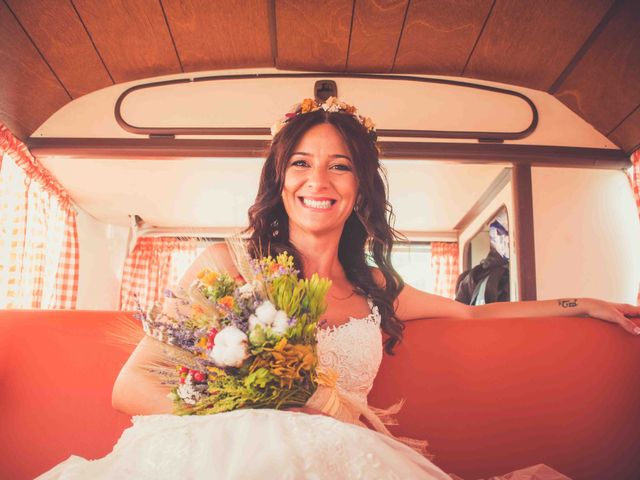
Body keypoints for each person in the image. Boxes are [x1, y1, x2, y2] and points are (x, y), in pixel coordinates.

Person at [37, 98, 640, 480]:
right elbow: (130, 387)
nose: (317, 180)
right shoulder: (228, 264)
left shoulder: (378, 288)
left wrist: (580, 304)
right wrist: (280, 403)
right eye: (300, 163)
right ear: (281, 180)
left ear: (360, 188)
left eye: (340, 165)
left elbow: (476, 318)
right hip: (219, 457)